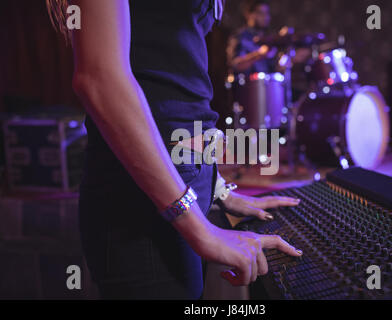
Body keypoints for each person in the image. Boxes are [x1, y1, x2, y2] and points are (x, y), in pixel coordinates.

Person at [46, 0, 302, 299]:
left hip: (181, 180)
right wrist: (200, 229)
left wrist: (216, 187)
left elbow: (169, 66)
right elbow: (99, 80)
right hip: (141, 197)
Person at [227, 0, 311, 76]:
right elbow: (235, 65)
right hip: (247, 88)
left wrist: (291, 58)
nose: (265, 17)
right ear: (249, 14)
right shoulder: (240, 36)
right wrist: (259, 54)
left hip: (268, 88)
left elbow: (277, 68)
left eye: (267, 13)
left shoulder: (268, 38)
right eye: (261, 13)